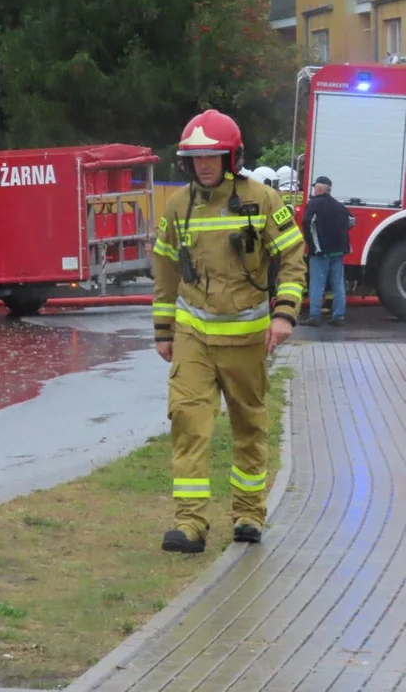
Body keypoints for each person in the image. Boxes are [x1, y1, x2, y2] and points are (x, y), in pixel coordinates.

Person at [152, 109, 308, 554]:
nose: (204, 165)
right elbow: (164, 272)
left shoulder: (262, 200)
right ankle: (190, 524)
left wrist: (284, 314)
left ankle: (248, 513)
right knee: (188, 421)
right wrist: (164, 331)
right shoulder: (178, 207)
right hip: (193, 336)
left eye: (213, 156)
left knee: (248, 424)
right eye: (196, 157)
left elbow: (293, 258)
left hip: (246, 337)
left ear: (231, 156)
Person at [300, 176, 354, 327]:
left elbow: (306, 223)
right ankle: (338, 316)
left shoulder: (314, 204)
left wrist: (312, 244)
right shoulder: (338, 205)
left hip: (320, 251)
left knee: (317, 284)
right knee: (338, 285)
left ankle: (314, 317)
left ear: (318, 189)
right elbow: (351, 220)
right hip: (338, 251)